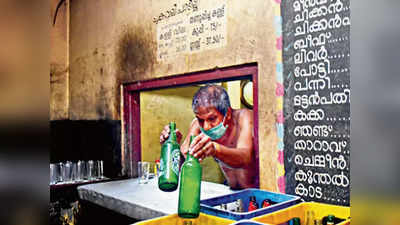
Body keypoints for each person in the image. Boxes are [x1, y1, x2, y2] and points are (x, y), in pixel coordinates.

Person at [159, 84, 257, 189]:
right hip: (232, 191)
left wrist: (215, 149)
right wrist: (173, 149)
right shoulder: (197, 125)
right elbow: (183, 164)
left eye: (212, 118)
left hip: (258, 193)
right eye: (200, 119)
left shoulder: (244, 117)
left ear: (227, 114)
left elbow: (245, 158)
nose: (206, 127)